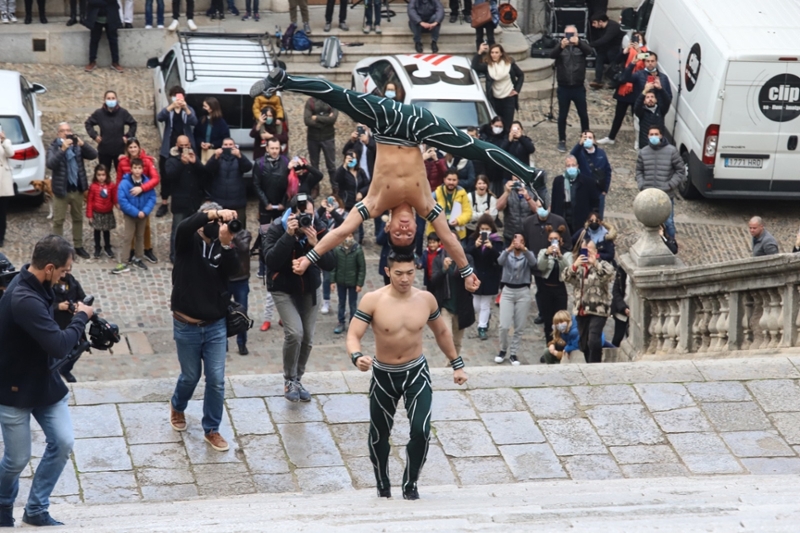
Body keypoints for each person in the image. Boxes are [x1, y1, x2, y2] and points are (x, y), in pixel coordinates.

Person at [252, 69, 545, 291]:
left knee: (337, 95)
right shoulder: (427, 205)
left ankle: (282, 79)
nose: (404, 230)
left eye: (398, 234)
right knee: (475, 147)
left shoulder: (374, 203)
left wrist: (309, 258)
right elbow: (449, 239)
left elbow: (340, 233)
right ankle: (531, 174)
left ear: (388, 226)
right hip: (421, 127)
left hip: (387, 121)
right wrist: (467, 272)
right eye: (408, 235)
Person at [346, 249, 468, 501]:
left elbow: (442, 333)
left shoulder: (426, 299)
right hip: (384, 374)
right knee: (379, 433)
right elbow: (353, 334)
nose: (405, 278)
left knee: (422, 430)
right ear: (387, 271)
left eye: (410, 273)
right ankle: (382, 480)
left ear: (417, 270)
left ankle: (410, 482)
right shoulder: (373, 300)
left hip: (416, 372)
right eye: (399, 273)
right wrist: (357, 356)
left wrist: (457, 364)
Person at [0, 235, 93, 528]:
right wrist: (82, 317)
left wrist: (62, 310)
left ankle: (37, 509)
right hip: (13, 388)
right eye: (65, 270)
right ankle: (2, 503)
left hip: (44, 383)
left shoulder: (34, 282)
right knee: (16, 459)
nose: (67, 276)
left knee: (63, 442)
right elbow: (59, 345)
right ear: (50, 268)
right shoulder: (23, 298)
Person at [169, 203, 239, 452]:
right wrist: (213, 214)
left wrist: (228, 243)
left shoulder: (223, 244)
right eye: (211, 219)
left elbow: (235, 272)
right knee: (190, 376)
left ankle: (212, 428)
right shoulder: (186, 241)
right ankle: (178, 405)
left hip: (215, 325)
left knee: (217, 380)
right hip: (186, 323)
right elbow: (185, 225)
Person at [263, 194, 335, 401]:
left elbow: (330, 264)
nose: (308, 220)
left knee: (308, 339)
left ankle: (297, 379)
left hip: (310, 289)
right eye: (303, 215)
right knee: (295, 333)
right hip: (283, 288)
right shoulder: (277, 227)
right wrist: (288, 235)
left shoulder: (318, 227)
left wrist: (315, 245)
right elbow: (271, 261)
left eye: (310, 215)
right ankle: (289, 379)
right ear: (292, 214)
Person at [46, 122, 97, 260]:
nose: (66, 133)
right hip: (61, 189)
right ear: (58, 134)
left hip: (77, 189)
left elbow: (93, 154)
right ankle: (58, 249)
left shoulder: (77, 146)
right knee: (58, 220)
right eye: (63, 131)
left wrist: (83, 144)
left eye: (68, 130)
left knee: (78, 218)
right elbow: (50, 164)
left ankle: (78, 246)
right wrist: (62, 150)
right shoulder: (54, 147)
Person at [521, 199, 572, 328]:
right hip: (538, 261)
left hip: (556, 265)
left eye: (543, 206)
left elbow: (567, 242)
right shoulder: (528, 222)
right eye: (538, 206)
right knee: (540, 290)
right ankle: (543, 313)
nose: (541, 209)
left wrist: (560, 253)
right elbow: (524, 241)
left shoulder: (558, 221)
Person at [563, 238, 615, 363]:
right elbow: (565, 277)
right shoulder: (579, 266)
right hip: (581, 309)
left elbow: (608, 275)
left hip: (598, 309)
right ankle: (589, 364)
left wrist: (595, 263)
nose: (587, 253)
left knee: (594, 339)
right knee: (584, 343)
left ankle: (595, 364)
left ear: (595, 251)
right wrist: (574, 266)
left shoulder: (603, 265)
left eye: (589, 250)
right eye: (584, 250)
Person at [598, 31, 648, 145]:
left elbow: (646, 60)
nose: (636, 41)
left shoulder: (646, 52)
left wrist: (638, 51)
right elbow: (616, 60)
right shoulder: (628, 50)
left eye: (639, 39)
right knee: (619, 114)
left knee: (636, 115)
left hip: (637, 86)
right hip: (624, 85)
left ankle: (638, 139)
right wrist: (625, 50)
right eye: (635, 39)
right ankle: (611, 137)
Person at [635, 126, 685, 240]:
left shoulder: (671, 151)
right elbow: (639, 170)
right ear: (647, 136)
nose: (653, 137)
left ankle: (671, 244)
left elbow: (680, 170)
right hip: (648, 194)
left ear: (661, 135)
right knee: (649, 222)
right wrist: (642, 184)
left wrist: (670, 185)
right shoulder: (643, 152)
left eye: (656, 134)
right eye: (651, 134)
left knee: (669, 222)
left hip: (665, 194)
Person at [155, 86, 198, 219]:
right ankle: (164, 202)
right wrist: (171, 107)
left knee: (186, 172)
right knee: (166, 174)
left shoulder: (188, 109)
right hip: (169, 147)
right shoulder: (170, 109)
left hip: (185, 146)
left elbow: (194, 121)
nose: (178, 99)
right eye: (175, 96)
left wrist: (185, 108)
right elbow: (160, 118)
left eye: (180, 96)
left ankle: (187, 200)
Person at [430, 230, 475, 355]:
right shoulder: (439, 260)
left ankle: (453, 365)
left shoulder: (467, 258)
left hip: (461, 306)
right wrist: (443, 270)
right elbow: (433, 281)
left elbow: (472, 275)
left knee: (457, 341)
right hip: (446, 305)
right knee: (447, 336)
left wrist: (462, 267)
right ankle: (452, 364)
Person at [117, 138, 160, 264]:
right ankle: (130, 252)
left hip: (143, 197)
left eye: (135, 147)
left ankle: (145, 250)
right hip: (129, 198)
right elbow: (119, 180)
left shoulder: (147, 161)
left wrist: (142, 188)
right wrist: (117, 199)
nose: (133, 149)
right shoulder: (123, 162)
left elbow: (155, 179)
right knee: (129, 230)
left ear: (139, 147)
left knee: (144, 227)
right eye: (130, 147)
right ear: (127, 149)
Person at [550, 25, 592, 153]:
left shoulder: (582, 46)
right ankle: (562, 140)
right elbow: (551, 55)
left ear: (577, 35)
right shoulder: (560, 46)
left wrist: (578, 43)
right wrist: (561, 46)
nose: (569, 37)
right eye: (567, 34)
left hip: (578, 86)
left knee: (583, 114)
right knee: (562, 115)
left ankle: (586, 137)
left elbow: (589, 52)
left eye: (572, 34)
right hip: (564, 87)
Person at [496, 233, 536, 365]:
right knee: (504, 325)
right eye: (516, 240)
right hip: (507, 291)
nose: (518, 243)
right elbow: (499, 261)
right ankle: (502, 349)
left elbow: (533, 262)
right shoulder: (507, 254)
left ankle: (513, 353)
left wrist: (524, 250)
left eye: (521, 241)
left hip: (522, 291)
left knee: (519, 326)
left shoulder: (527, 254)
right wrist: (508, 249)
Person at [164, 135, 205, 263]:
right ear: (177, 146)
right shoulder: (171, 160)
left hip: (193, 201)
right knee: (177, 230)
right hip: (180, 202)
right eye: (182, 146)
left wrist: (195, 163)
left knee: (195, 230)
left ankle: (192, 254)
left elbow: (204, 174)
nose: (185, 148)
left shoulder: (194, 157)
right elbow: (170, 176)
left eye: (187, 145)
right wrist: (182, 164)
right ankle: (175, 255)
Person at [472, 43, 524, 131]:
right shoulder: (488, 66)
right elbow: (475, 66)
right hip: (495, 99)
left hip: (508, 98)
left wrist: (517, 90)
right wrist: (480, 52)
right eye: (492, 52)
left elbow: (521, 75)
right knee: (497, 124)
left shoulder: (509, 64)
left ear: (501, 53)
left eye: (496, 52)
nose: (494, 55)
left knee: (507, 125)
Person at [467, 214, 502, 340]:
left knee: (485, 304)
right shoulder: (473, 239)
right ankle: (485, 318)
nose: (484, 232)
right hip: (476, 275)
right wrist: (475, 246)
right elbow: (467, 253)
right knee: (476, 304)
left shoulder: (497, 241)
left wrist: (491, 248)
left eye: (487, 229)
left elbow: (499, 259)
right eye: (482, 229)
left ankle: (482, 327)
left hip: (490, 276)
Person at [84, 91, 137, 174]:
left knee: (123, 175)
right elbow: (88, 123)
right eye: (108, 98)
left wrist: (128, 136)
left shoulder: (123, 112)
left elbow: (133, 124)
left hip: (120, 150)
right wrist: (95, 136)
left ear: (116, 99)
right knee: (103, 176)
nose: (111, 100)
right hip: (104, 150)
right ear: (104, 100)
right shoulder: (99, 113)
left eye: (113, 98)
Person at [205, 138, 254, 226]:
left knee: (239, 229)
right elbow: (208, 170)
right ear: (221, 146)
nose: (228, 147)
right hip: (219, 201)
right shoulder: (217, 158)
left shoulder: (239, 157)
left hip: (237, 201)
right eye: (225, 145)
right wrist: (215, 157)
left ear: (234, 146)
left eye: (230, 144)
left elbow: (248, 167)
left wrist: (240, 156)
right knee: (218, 229)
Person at [535, 229, 572, 343]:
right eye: (551, 239)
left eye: (555, 239)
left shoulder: (567, 254)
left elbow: (569, 269)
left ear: (560, 240)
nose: (553, 241)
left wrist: (560, 256)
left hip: (559, 288)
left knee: (561, 319)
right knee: (548, 320)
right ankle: (549, 344)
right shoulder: (543, 252)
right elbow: (540, 267)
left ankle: (560, 344)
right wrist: (547, 254)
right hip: (546, 289)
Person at [51, 267, 86, 383]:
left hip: (71, 323)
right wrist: (58, 306)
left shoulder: (72, 282)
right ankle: (54, 374)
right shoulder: (49, 286)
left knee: (77, 350)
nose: (66, 274)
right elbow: (42, 306)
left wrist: (78, 305)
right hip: (56, 325)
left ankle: (65, 370)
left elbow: (82, 297)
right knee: (55, 354)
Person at [550, 155, 599, 235]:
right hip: (562, 219)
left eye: (573, 165)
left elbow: (595, 202)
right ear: (565, 167)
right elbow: (554, 202)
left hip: (580, 221)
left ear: (577, 166)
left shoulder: (588, 182)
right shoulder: (558, 181)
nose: (571, 167)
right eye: (568, 166)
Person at [570, 130, 611, 218]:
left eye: (590, 137)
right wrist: (579, 144)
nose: (587, 139)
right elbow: (572, 155)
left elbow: (608, 171)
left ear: (594, 140)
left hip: (598, 191)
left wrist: (605, 190)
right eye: (585, 138)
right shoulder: (580, 153)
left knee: (598, 217)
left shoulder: (601, 153)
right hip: (584, 191)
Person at [331, 233, 365, 334]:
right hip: (341, 281)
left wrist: (359, 283)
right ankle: (341, 322)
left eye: (350, 236)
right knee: (341, 302)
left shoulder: (358, 250)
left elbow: (361, 268)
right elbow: (334, 266)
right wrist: (332, 281)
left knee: (353, 303)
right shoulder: (338, 250)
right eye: (346, 236)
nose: (348, 238)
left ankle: (353, 323)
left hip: (353, 282)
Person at [427, 171, 473, 242]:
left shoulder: (462, 193)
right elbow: (426, 210)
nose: (451, 182)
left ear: (458, 181)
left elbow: (468, 212)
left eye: (454, 180)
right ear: (444, 179)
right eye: (449, 179)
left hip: (457, 230)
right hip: (437, 231)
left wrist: (459, 220)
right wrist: (437, 220)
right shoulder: (437, 193)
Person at [229, 224, 252, 355]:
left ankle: (242, 343)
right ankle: (222, 342)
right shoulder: (221, 235)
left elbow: (244, 247)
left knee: (242, 313)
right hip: (225, 279)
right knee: (220, 312)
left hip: (241, 279)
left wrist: (233, 235)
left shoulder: (244, 234)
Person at [496, 176, 539, 247]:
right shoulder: (508, 192)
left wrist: (527, 197)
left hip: (528, 235)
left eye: (520, 180)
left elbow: (537, 211)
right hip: (510, 235)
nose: (518, 182)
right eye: (516, 180)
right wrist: (506, 192)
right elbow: (498, 207)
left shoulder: (532, 192)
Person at [304, 96, 338, 185]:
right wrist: (325, 122)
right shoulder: (310, 102)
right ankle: (315, 187)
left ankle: (335, 188)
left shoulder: (332, 101)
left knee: (331, 165)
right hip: (313, 138)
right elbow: (307, 120)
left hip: (328, 137)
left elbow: (333, 119)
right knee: (314, 165)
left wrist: (317, 118)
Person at [85, 165, 117, 259]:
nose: (101, 177)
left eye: (103, 175)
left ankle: (107, 247)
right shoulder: (93, 186)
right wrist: (90, 214)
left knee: (106, 231)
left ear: (107, 175)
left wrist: (118, 205)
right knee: (97, 231)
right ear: (95, 175)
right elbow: (90, 201)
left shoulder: (111, 185)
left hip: (107, 212)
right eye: (99, 175)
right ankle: (97, 248)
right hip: (97, 212)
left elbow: (114, 198)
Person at [500, 121, 538, 197]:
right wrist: (509, 140)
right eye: (513, 129)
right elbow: (501, 152)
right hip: (509, 177)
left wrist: (521, 138)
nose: (515, 131)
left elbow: (531, 149)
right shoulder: (506, 140)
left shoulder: (525, 140)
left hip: (523, 176)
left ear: (521, 130)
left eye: (518, 129)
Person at [82, 0, 123, 72]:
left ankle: (115, 62)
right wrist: (105, 3)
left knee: (113, 40)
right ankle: (92, 61)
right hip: (96, 17)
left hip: (111, 15)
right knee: (94, 40)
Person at [588, 13, 624, 89]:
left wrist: (590, 44)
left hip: (616, 48)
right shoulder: (600, 29)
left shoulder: (613, 27)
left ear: (600, 22)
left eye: (594, 22)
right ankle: (598, 80)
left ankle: (615, 80)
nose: (593, 25)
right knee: (599, 58)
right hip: (607, 48)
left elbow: (605, 39)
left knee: (612, 57)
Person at [195, 97, 231, 164]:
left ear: (211, 108)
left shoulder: (221, 123)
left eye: (205, 106)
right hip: (202, 153)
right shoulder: (201, 120)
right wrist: (200, 143)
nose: (203, 108)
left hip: (216, 153)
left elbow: (225, 139)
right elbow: (196, 135)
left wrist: (212, 145)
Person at [0, 128, 13, 247]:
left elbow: (10, 153)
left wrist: (3, 141)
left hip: (2, 182)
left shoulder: (6, 142)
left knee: (2, 212)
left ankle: (1, 237)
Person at [610, 267, 629, 348]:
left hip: (636, 311)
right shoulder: (621, 271)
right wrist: (623, 308)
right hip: (621, 310)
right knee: (617, 337)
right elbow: (615, 291)